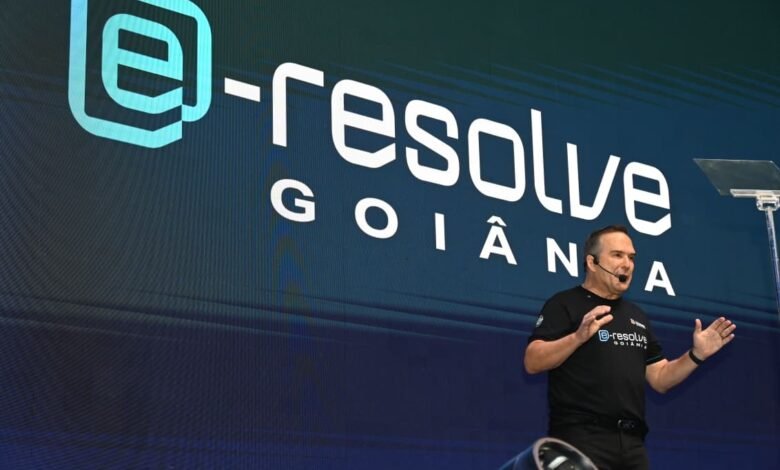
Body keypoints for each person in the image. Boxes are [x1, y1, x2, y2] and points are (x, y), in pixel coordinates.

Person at [524, 225, 735, 469]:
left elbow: (660, 378)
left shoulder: (637, 315)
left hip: (632, 445)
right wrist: (578, 337)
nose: (627, 264)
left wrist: (696, 355)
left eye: (631, 257)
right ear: (592, 263)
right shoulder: (564, 304)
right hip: (581, 439)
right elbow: (532, 361)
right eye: (617, 255)